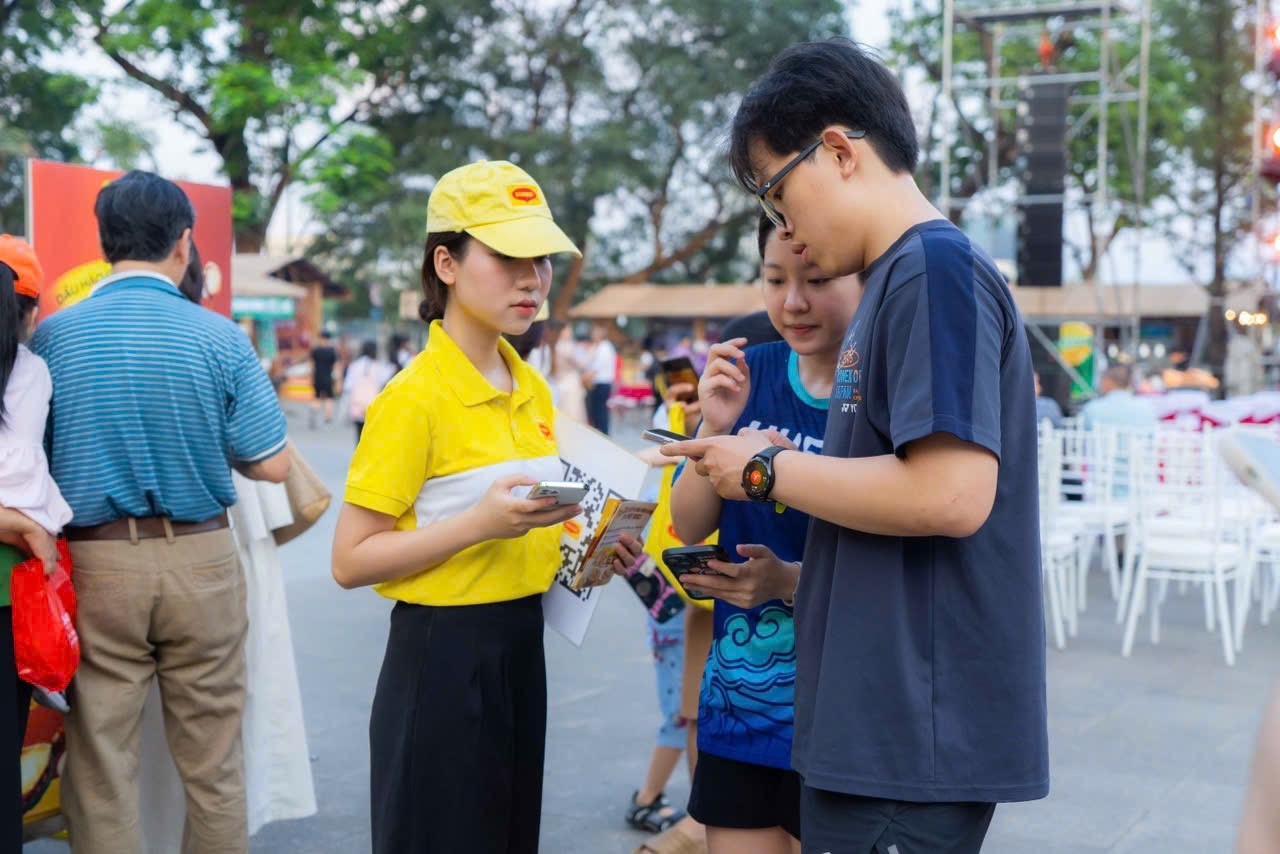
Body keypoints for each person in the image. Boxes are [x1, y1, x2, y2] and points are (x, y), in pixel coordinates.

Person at [664, 39, 1048, 850]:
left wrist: (766, 469)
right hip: (876, 723)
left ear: (837, 150)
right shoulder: (903, 279)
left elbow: (949, 493)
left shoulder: (930, 270)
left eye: (777, 191)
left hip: (907, 730)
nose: (785, 226)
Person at [329, 160, 644, 854]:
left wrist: (598, 548)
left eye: (540, 259)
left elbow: (535, 522)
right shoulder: (412, 397)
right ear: (446, 261)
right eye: (507, 256)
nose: (532, 278)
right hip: (440, 656)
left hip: (519, 648)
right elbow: (349, 560)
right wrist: (477, 525)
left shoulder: (529, 383)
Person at [30, 170, 292, 854]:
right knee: (212, 762)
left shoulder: (55, 340)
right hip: (201, 559)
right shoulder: (222, 339)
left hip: (96, 565)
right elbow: (274, 464)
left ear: (105, 244)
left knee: (102, 761)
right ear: (184, 245)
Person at [665, 215, 862, 854]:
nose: (792, 300)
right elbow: (692, 522)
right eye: (775, 279)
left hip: (848, 709)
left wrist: (790, 582)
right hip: (741, 698)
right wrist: (714, 423)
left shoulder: (882, 392)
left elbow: (905, 548)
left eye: (818, 278)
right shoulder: (751, 371)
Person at [0, 236, 70, 849]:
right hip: (9, 588)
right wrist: (22, 526)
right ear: (27, 312)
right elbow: (26, 488)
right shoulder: (30, 372)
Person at [345, 340, 394, 443]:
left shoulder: (355, 365)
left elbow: (348, 385)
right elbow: (385, 380)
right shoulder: (378, 366)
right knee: (370, 434)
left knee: (358, 433)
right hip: (372, 402)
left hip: (357, 402)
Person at [1080, 364, 1156, 429]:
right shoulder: (1147, 408)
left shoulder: (1092, 409)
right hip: (1138, 446)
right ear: (1130, 382)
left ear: (1107, 381)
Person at [583, 322, 617, 434]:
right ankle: (599, 431)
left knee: (600, 411)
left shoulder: (604, 347)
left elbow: (596, 367)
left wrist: (585, 378)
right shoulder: (598, 346)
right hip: (598, 382)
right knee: (597, 410)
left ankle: (603, 432)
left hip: (602, 383)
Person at [310, 329, 339, 427]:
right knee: (329, 398)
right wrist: (337, 379)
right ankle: (327, 419)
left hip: (317, 377)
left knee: (317, 397)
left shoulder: (315, 351)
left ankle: (314, 413)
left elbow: (311, 365)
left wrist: (311, 377)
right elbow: (335, 366)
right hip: (328, 377)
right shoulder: (332, 351)